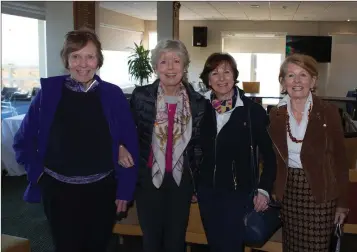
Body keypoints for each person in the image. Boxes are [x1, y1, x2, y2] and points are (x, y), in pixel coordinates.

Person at [13, 28, 139, 252]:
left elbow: (130, 143)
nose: (83, 63)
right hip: (59, 192)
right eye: (75, 56)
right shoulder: (48, 94)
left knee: (97, 246)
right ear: (66, 60)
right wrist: (38, 174)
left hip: (102, 191)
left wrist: (125, 190)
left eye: (90, 56)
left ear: (98, 60)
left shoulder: (113, 95)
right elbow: (23, 140)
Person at [119, 39, 206, 252]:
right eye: (163, 61)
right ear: (155, 66)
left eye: (176, 61)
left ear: (184, 67)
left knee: (176, 240)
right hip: (148, 181)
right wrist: (120, 147)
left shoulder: (198, 102)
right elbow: (125, 131)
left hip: (181, 182)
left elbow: (198, 147)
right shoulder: (141, 97)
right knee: (151, 239)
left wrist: (195, 183)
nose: (170, 67)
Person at [268, 53, 349, 252]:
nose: (296, 81)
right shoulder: (275, 114)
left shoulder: (328, 112)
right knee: (292, 246)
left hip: (321, 195)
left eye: (303, 75)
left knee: (317, 247)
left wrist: (342, 203)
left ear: (313, 81)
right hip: (289, 194)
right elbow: (272, 159)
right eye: (290, 75)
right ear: (282, 81)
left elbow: (340, 159)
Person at [196, 52, 277, 252]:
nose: (221, 78)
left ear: (235, 76)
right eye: (215, 73)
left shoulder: (252, 112)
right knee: (214, 245)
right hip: (206, 192)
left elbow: (270, 156)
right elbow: (191, 148)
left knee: (231, 247)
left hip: (238, 194)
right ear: (208, 79)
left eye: (227, 72)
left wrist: (264, 190)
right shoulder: (198, 108)